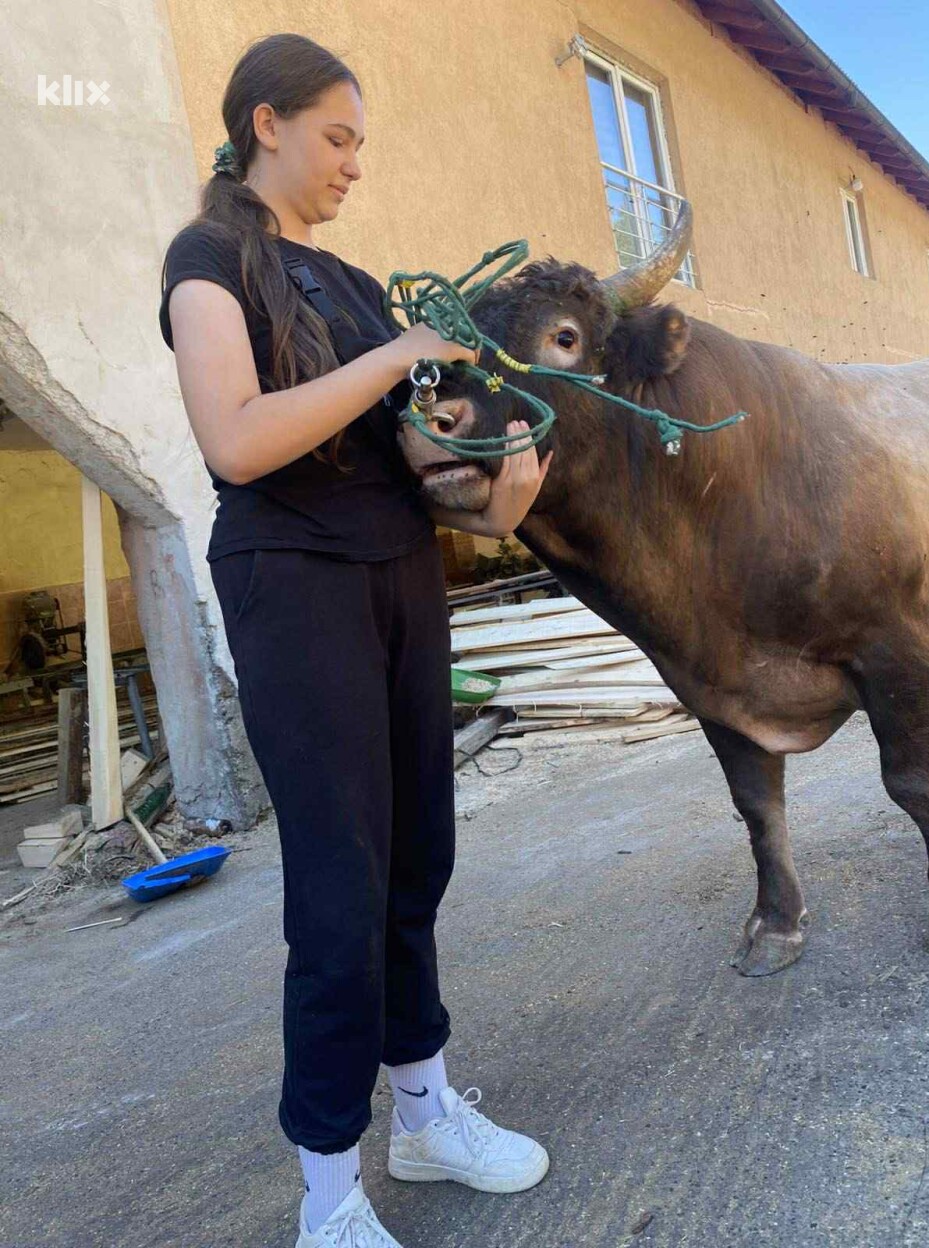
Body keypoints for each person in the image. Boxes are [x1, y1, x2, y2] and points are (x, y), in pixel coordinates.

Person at [159, 32, 552, 1248]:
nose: (354, 165)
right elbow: (235, 440)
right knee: (337, 891)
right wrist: (396, 355)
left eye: (361, 145)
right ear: (265, 124)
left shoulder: (351, 284)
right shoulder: (206, 258)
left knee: (413, 860)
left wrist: (499, 481)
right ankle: (327, 1191)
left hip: (395, 571)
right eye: (338, 137)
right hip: (295, 581)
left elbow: (418, 454)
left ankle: (425, 1117)